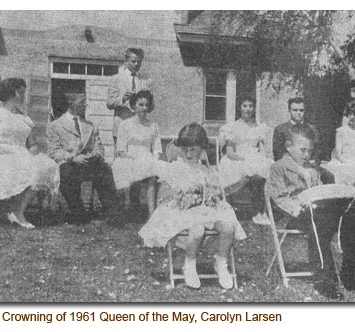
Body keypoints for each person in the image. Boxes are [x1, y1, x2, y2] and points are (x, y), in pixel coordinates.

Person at [268, 124, 355, 299]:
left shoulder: (312, 168)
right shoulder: (278, 167)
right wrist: (300, 206)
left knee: (353, 212)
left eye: (310, 151)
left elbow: (319, 191)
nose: (306, 154)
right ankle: (324, 279)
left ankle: (352, 273)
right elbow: (280, 198)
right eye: (302, 150)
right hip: (296, 214)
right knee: (320, 219)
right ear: (288, 146)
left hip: (318, 212)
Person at [139, 123, 246, 289]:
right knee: (197, 229)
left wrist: (213, 194)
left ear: (202, 148)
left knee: (228, 226)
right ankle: (189, 264)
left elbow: (220, 186)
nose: (188, 154)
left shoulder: (207, 170)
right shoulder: (176, 168)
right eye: (185, 149)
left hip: (207, 209)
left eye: (193, 150)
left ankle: (221, 262)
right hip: (185, 210)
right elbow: (159, 175)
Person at [0, 78, 59, 229]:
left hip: (22, 153)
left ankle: (18, 210)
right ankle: (11, 211)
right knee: (14, 167)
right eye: (21, 92)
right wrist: (13, 152)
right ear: (11, 94)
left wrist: (38, 156)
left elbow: (32, 145)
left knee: (45, 166)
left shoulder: (25, 118)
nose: (24, 95)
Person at [47, 94, 119, 225]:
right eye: (82, 102)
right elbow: (54, 151)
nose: (85, 105)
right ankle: (78, 212)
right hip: (70, 163)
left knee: (104, 169)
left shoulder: (90, 125)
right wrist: (73, 157)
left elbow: (99, 145)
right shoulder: (55, 125)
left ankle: (112, 214)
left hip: (89, 163)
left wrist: (96, 154)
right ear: (72, 104)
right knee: (66, 173)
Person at [217, 96, 272, 224]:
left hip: (255, 158)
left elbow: (265, 151)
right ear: (239, 108)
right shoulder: (232, 127)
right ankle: (227, 208)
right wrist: (244, 159)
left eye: (251, 106)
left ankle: (261, 211)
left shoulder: (260, 128)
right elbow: (230, 153)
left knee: (268, 168)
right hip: (237, 158)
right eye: (245, 106)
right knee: (245, 171)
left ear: (254, 108)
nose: (248, 109)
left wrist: (264, 158)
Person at [111, 90, 163, 219]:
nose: (144, 108)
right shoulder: (125, 124)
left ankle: (152, 213)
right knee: (121, 166)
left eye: (146, 105)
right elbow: (121, 148)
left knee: (153, 169)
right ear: (134, 106)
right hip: (129, 156)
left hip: (146, 157)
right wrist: (128, 157)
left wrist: (154, 158)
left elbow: (156, 148)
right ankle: (122, 211)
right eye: (141, 105)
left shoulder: (153, 126)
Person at [273, 97, 335, 183]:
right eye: (295, 110)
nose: (298, 113)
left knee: (328, 176)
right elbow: (278, 154)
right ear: (289, 111)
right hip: (289, 166)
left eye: (301, 110)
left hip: (309, 164)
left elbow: (319, 149)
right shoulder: (280, 129)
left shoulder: (312, 129)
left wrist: (315, 161)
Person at [107, 48, 152, 142]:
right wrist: (122, 99)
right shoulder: (116, 79)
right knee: (122, 156)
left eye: (139, 62)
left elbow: (151, 107)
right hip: (121, 126)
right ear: (126, 61)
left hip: (140, 128)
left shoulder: (146, 81)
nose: (136, 64)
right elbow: (109, 103)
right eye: (133, 61)